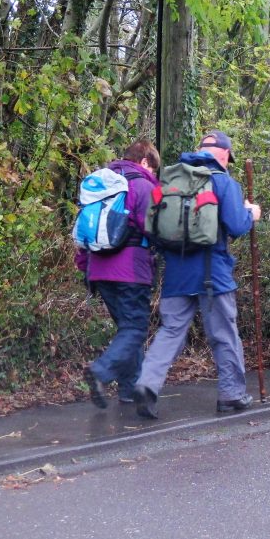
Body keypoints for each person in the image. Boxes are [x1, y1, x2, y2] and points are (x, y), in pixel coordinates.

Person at [132, 132, 261, 419]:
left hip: (177, 273)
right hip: (213, 273)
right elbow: (237, 226)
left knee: (170, 331)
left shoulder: (172, 179)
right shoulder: (224, 182)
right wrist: (251, 213)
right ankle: (232, 394)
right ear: (225, 155)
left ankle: (146, 384)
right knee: (224, 334)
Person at [77, 140, 161, 408]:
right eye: (153, 167)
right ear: (146, 161)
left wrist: (85, 266)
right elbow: (155, 229)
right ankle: (100, 372)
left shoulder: (103, 184)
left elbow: (84, 231)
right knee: (135, 328)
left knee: (127, 328)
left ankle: (130, 389)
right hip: (131, 271)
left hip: (99, 270)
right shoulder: (145, 186)